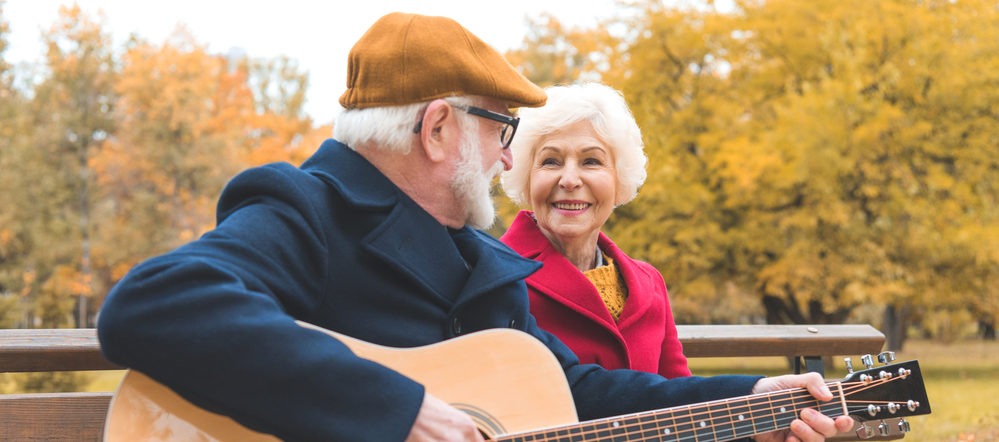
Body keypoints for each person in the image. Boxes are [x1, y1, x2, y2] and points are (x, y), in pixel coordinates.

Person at [97, 12, 854, 442]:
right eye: (502, 129)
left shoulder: (478, 259)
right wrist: (397, 410)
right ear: (437, 130)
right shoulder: (309, 211)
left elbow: (575, 388)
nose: (507, 158)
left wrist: (753, 400)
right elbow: (154, 303)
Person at [499, 82, 690, 379]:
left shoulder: (651, 283)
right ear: (526, 177)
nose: (569, 180)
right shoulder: (495, 276)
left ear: (618, 179)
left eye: (591, 161)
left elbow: (684, 396)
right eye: (551, 161)